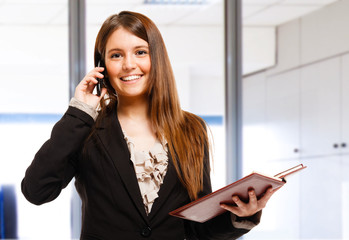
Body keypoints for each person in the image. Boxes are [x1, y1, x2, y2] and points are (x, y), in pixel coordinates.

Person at [21, 11, 276, 240]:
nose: (129, 64)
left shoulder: (191, 129)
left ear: (157, 58)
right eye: (116, 55)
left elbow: (198, 227)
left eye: (140, 52)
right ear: (102, 68)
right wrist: (79, 112)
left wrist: (241, 216)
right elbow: (37, 191)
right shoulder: (86, 128)